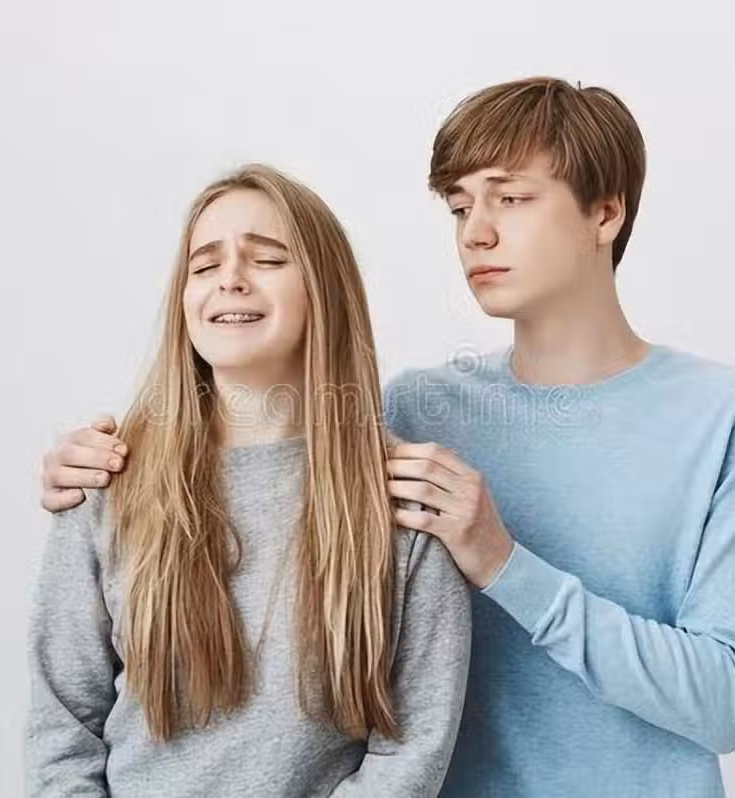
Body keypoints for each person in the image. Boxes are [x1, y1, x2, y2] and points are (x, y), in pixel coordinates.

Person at [40, 78, 735, 798]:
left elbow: (725, 701)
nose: (476, 232)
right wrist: (103, 467)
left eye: (510, 198)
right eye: (460, 207)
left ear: (605, 213)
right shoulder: (419, 410)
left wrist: (502, 562)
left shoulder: (726, 413)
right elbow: (268, 463)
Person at [26, 163, 471, 797]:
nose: (229, 278)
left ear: (323, 290)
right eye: (204, 265)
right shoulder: (105, 482)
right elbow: (62, 729)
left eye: (266, 259)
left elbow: (411, 749)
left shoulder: (403, 503)